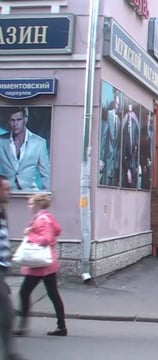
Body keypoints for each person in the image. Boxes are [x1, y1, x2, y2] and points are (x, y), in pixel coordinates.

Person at [14, 193, 67, 337]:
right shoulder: (48, 217)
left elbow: (47, 239)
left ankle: (22, 328)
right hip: (47, 263)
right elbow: (57, 231)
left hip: (39, 265)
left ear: (38, 205)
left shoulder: (41, 219)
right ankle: (61, 327)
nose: (29, 206)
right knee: (53, 294)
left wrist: (29, 234)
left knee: (24, 292)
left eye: (31, 204)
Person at [0, 175, 24, 360]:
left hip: (3, 271)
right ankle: (10, 354)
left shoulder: (3, 210)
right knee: (7, 314)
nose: (10, 192)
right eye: (6, 189)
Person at [0, 107, 51, 191]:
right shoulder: (1, 141)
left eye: (18, 119)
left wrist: (45, 194)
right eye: (12, 120)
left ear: (25, 119)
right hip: (8, 193)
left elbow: (45, 173)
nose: (15, 124)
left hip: (30, 193)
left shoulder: (39, 142)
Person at [100, 93, 121, 186]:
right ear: (113, 104)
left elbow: (118, 142)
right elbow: (104, 136)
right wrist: (101, 158)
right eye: (116, 104)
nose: (117, 106)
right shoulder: (109, 115)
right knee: (106, 182)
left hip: (115, 159)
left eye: (119, 104)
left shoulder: (119, 120)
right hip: (107, 156)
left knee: (112, 183)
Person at [121, 104, 139, 188]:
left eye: (131, 112)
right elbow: (123, 149)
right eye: (128, 112)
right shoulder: (124, 130)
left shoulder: (135, 126)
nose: (129, 115)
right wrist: (127, 168)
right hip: (127, 162)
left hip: (134, 162)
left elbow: (137, 143)